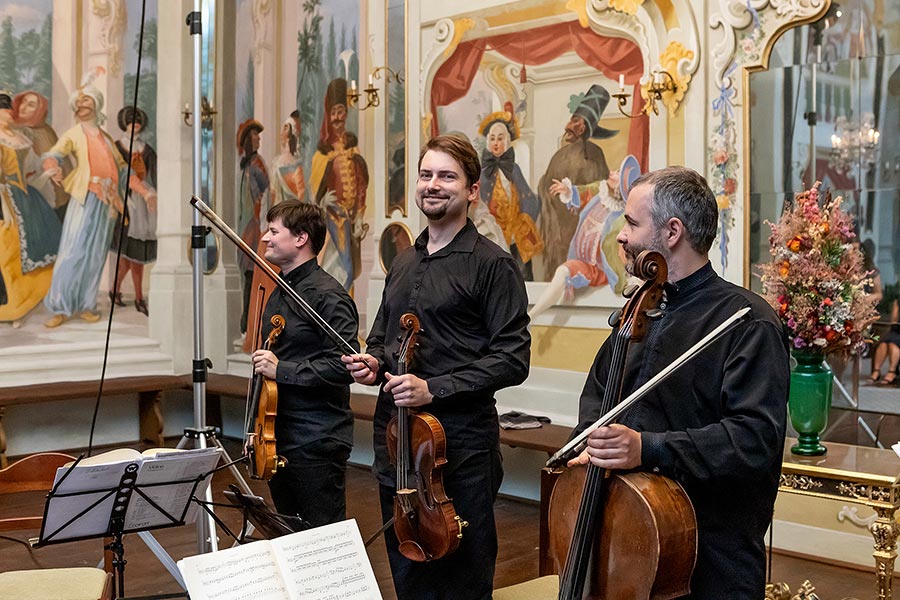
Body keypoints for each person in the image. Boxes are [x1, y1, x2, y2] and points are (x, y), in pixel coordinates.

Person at [570, 166, 789, 599]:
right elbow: (598, 396)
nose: (621, 235)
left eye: (632, 223)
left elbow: (753, 439)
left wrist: (648, 448)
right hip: (622, 540)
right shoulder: (639, 311)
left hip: (708, 560)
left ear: (672, 232)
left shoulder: (747, 322)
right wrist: (587, 442)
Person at [342, 133, 531, 599]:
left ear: (472, 190)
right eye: (426, 175)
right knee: (408, 570)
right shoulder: (403, 261)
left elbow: (513, 359)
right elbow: (384, 338)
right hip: (397, 443)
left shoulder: (493, 265)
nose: (433, 184)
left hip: (460, 449)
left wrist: (435, 388)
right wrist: (372, 363)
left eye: (447, 176)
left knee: (462, 578)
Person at [250, 199, 360, 527]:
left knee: (321, 538)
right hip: (277, 434)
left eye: (273, 231)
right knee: (291, 534)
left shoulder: (329, 296)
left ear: (300, 239)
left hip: (316, 439)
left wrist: (280, 369)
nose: (266, 239)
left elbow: (344, 366)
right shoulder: (280, 290)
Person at [42, 68, 127, 328]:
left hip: (107, 202)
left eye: (86, 100)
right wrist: (52, 167)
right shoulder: (73, 134)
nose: (81, 105)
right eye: (78, 102)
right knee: (72, 251)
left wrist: (145, 192)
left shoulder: (107, 139)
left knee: (95, 254)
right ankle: (60, 306)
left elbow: (123, 170)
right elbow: (54, 154)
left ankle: (86, 304)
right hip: (85, 197)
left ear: (96, 104)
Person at [537, 84, 616, 281]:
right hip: (559, 223)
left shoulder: (595, 154)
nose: (569, 126)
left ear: (586, 125)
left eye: (576, 121)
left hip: (585, 224)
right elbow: (547, 188)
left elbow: (602, 191)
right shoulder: (560, 156)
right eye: (572, 120)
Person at [0, 91, 62, 327]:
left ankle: (25, 305)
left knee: (38, 246)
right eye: (4, 109)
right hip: (4, 199)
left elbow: (34, 168)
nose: (9, 112)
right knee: (7, 252)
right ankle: (12, 307)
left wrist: (48, 173)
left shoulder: (21, 137)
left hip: (26, 197)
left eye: (8, 108)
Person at [310, 78, 369, 292]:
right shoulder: (322, 154)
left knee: (348, 271)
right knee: (335, 269)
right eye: (333, 112)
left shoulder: (354, 151)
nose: (337, 117)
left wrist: (361, 215)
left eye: (341, 111)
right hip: (331, 220)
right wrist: (322, 201)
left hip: (350, 221)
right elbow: (314, 193)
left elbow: (361, 185)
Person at [477, 106, 543, 279]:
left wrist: (525, 219)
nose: (496, 143)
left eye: (500, 138)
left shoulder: (514, 169)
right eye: (492, 139)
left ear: (507, 141)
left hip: (515, 234)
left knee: (522, 273)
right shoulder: (482, 173)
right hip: (493, 235)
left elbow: (527, 196)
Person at [109, 106, 158, 316]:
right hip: (123, 206)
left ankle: (128, 294)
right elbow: (115, 175)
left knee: (134, 257)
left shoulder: (146, 149)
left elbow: (154, 177)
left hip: (144, 205)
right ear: (124, 124)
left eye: (137, 122)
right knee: (127, 257)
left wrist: (151, 195)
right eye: (131, 121)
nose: (134, 125)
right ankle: (127, 294)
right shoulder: (116, 148)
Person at [12, 90, 70, 218]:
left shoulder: (45, 132)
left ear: (39, 111)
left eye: (31, 105)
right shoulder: (9, 129)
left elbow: (53, 155)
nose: (24, 107)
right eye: (23, 102)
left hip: (43, 194)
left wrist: (53, 169)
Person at [237, 118, 270, 335]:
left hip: (255, 223)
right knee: (246, 269)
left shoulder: (257, 164)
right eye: (255, 135)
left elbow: (267, 192)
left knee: (251, 270)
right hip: (246, 222)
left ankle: (248, 320)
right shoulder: (247, 164)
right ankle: (246, 319)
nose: (258, 139)